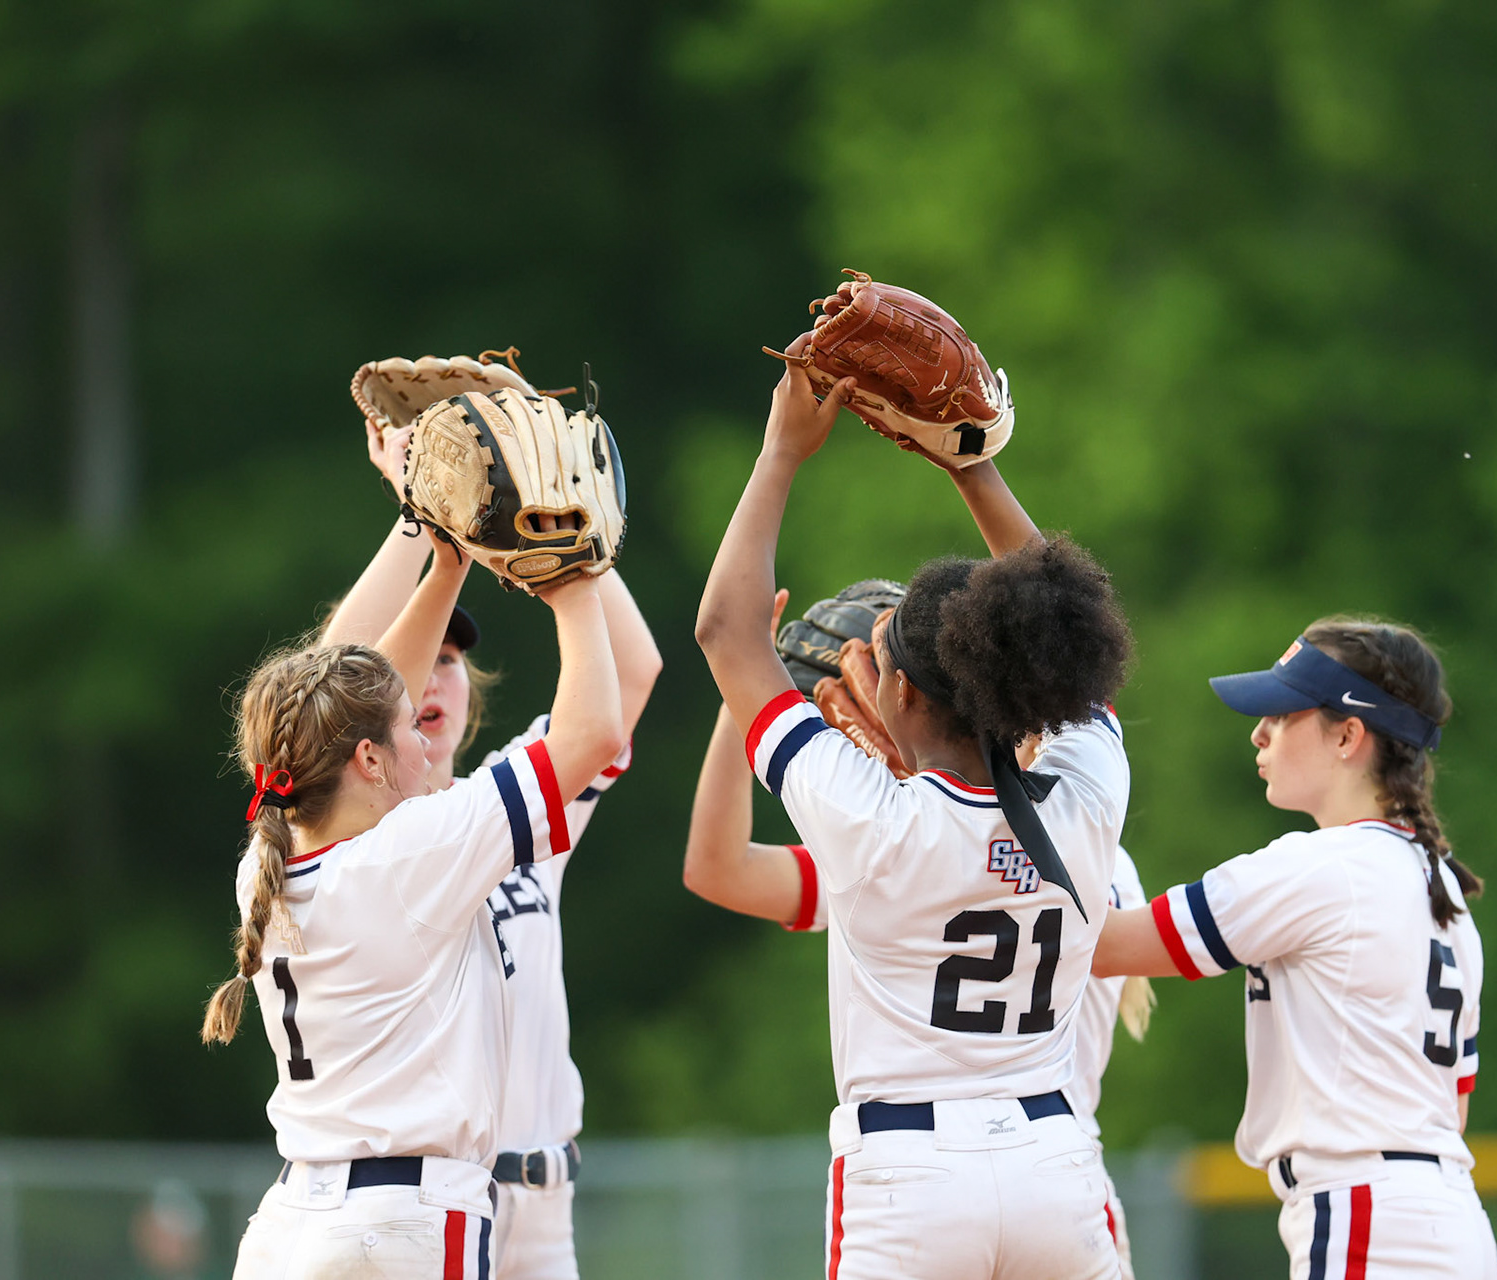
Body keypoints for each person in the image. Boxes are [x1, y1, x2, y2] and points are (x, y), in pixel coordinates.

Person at [693, 367, 1135, 1280]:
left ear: (892, 690)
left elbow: (725, 634)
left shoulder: (868, 819)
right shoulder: (1090, 799)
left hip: (911, 1175)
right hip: (1055, 1162)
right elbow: (1068, 640)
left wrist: (781, 452)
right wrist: (972, 468)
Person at [203, 534, 625, 1279]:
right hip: (400, 1227)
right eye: (407, 731)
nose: (424, 745)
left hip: (289, 1226)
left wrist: (447, 562)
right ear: (367, 760)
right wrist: (573, 576)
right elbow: (594, 733)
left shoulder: (264, 862)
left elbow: (340, 705)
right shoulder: (412, 855)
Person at [321, 439, 662, 1280]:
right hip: (427, 1198)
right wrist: (417, 517)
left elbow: (635, 673)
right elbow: (326, 681)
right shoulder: (352, 836)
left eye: (451, 661)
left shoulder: (513, 807)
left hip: (543, 1208)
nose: (433, 680)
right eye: (418, 658)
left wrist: (564, 507)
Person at [1094, 620, 1497, 1279]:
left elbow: (1108, 948)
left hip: (1367, 1218)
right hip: (1449, 1219)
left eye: (1282, 714)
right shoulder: (1443, 888)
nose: (1259, 732)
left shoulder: (1323, 868)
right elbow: (1453, 1105)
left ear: (1347, 735)